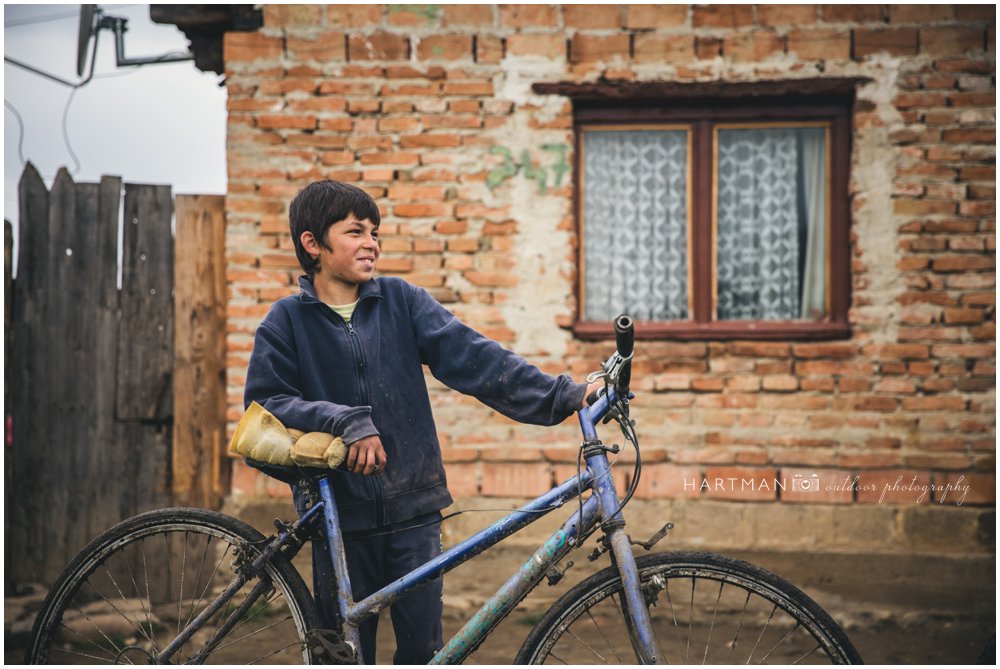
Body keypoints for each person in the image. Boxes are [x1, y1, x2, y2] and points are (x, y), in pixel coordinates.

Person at [244, 180, 597, 664]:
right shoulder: (285, 322)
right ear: (313, 244)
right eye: (355, 232)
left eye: (375, 232)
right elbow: (267, 403)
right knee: (343, 655)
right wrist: (347, 420)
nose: (372, 243)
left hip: (415, 511)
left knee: (424, 654)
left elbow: (476, 359)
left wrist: (565, 395)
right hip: (337, 518)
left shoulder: (401, 301)